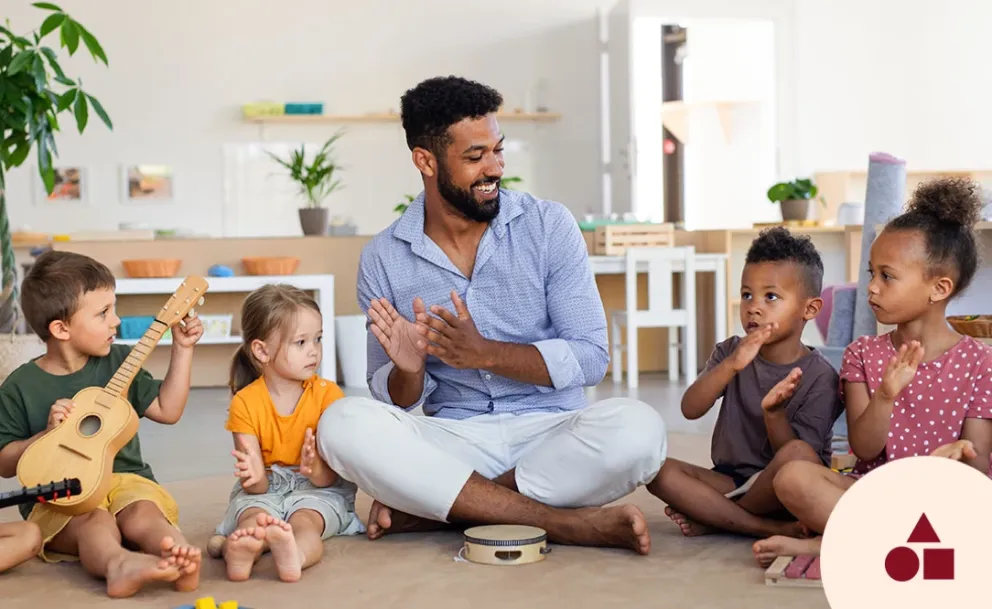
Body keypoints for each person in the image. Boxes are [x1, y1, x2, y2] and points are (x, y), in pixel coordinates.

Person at [316, 75, 666, 554]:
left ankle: (454, 506)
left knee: (640, 430)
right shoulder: (384, 257)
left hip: (551, 432)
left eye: (498, 150)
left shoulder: (549, 226)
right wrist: (409, 371)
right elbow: (394, 401)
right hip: (455, 437)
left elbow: (590, 358)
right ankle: (565, 524)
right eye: (475, 156)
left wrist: (485, 354)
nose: (495, 167)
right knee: (341, 423)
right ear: (425, 160)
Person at [752, 177, 992, 566]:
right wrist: (885, 396)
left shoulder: (980, 363)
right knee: (792, 477)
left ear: (939, 287)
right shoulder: (862, 353)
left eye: (887, 276)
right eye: (871, 274)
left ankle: (831, 544)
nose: (872, 288)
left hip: (945, 501)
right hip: (875, 493)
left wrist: (952, 459)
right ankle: (895, 542)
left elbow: (977, 471)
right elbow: (864, 449)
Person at [0, 250, 204, 598]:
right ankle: (118, 564)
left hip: (126, 479)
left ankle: (177, 554)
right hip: (60, 496)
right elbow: (5, 464)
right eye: (103, 313)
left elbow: (168, 410)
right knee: (95, 522)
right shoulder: (19, 385)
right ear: (61, 328)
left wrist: (182, 349)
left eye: (114, 308)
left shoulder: (121, 361)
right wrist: (46, 435)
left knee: (143, 512)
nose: (116, 321)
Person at [648, 228, 843, 538]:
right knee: (655, 470)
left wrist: (774, 413)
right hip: (731, 479)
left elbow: (799, 458)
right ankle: (757, 526)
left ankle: (717, 515)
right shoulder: (730, 351)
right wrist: (732, 366)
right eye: (746, 294)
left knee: (797, 455)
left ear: (810, 309)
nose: (754, 306)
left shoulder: (821, 376)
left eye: (771, 296)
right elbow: (690, 408)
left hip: (785, 488)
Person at [210, 285, 363, 582]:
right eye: (301, 342)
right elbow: (257, 487)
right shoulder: (244, 403)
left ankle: (296, 555)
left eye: (317, 339)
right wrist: (253, 478)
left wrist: (316, 468)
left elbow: (330, 478)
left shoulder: (328, 395)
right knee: (253, 518)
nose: (314, 351)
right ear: (262, 350)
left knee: (304, 523)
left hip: (318, 489)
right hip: (267, 488)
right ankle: (242, 552)